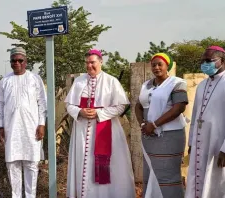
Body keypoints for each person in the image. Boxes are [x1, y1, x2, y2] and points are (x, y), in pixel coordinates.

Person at [65, 49, 136, 198]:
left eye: (92, 62)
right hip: (82, 132)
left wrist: (99, 113)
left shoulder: (111, 81)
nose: (89, 66)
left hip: (106, 130)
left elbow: (121, 106)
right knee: (85, 164)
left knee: (110, 168)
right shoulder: (79, 82)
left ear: (101, 62)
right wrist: (80, 112)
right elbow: (69, 105)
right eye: (87, 63)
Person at [135, 53, 188, 198]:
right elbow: (138, 106)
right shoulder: (146, 85)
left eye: (160, 64)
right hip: (148, 136)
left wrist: (155, 124)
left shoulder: (177, 83)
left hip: (169, 136)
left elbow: (179, 108)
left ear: (167, 66)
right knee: (150, 172)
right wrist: (143, 124)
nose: (156, 67)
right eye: (153, 65)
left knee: (168, 175)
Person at [0, 47, 47, 198]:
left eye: (20, 60)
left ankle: (31, 196)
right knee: (13, 164)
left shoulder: (34, 79)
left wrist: (42, 124)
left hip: (32, 128)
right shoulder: (5, 80)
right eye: (13, 60)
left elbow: (42, 103)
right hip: (11, 128)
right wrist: (1, 125)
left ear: (26, 62)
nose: (16, 63)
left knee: (31, 164)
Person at [185, 46, 225, 198]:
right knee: (198, 178)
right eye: (203, 61)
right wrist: (191, 143)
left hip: (218, 142)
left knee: (218, 181)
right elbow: (195, 116)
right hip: (200, 141)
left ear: (222, 61)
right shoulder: (201, 85)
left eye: (209, 61)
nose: (205, 64)